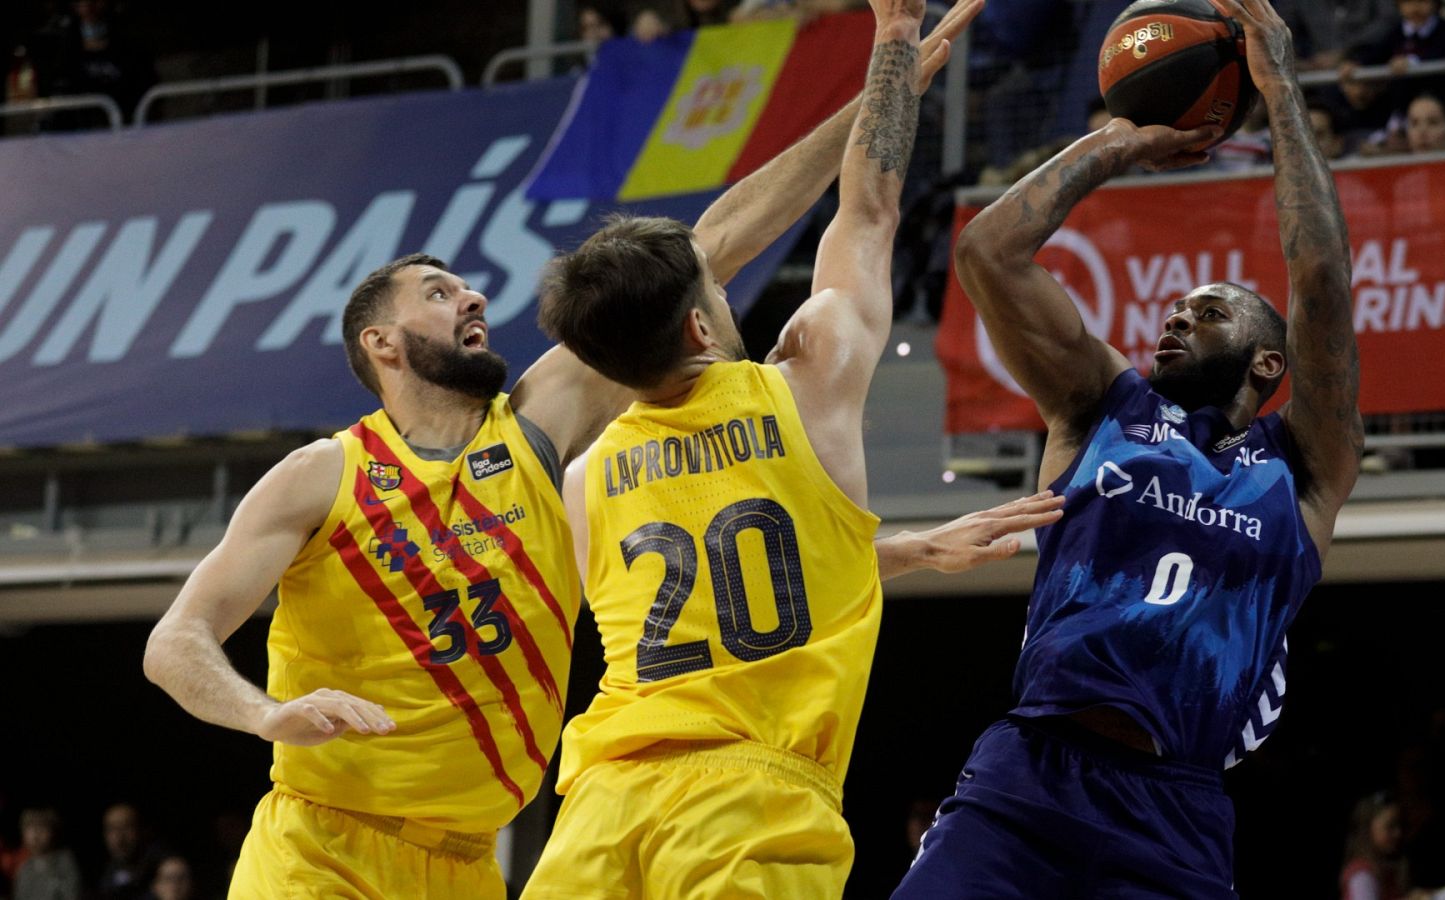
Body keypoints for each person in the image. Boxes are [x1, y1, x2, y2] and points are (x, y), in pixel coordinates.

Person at [141, 2, 1017, 897]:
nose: (472, 298)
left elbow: (701, 251)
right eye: (440, 293)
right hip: (323, 846)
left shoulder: (538, 434)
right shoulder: (324, 472)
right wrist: (265, 713)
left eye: (468, 286)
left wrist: (880, 95)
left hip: (478, 859)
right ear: (381, 343)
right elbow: (176, 641)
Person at [518, 0, 1035, 895]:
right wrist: (894, 36)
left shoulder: (584, 478)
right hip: (750, 799)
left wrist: (904, 550)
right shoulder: (806, 380)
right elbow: (868, 212)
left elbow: (717, 588)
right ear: (698, 321)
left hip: (599, 811)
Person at [892, 0, 1364, 895]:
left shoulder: (1303, 468)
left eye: (1210, 311)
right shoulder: (1099, 404)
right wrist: (1119, 142)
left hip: (1173, 809)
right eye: (1175, 307)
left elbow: (1324, 282)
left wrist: (1280, 90)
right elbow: (991, 253)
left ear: (1271, 361)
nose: (1178, 314)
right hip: (1028, 774)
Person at [1341, 792, 1414, 900]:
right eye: (1390, 826)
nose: (1398, 833)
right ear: (1368, 830)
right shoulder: (1362, 874)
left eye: (1401, 825)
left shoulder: (1391, 868)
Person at [12, 808, 80, 900]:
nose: (35, 834)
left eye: (41, 827)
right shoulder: (25, 869)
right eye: (29, 828)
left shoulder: (65, 863)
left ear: (53, 831)